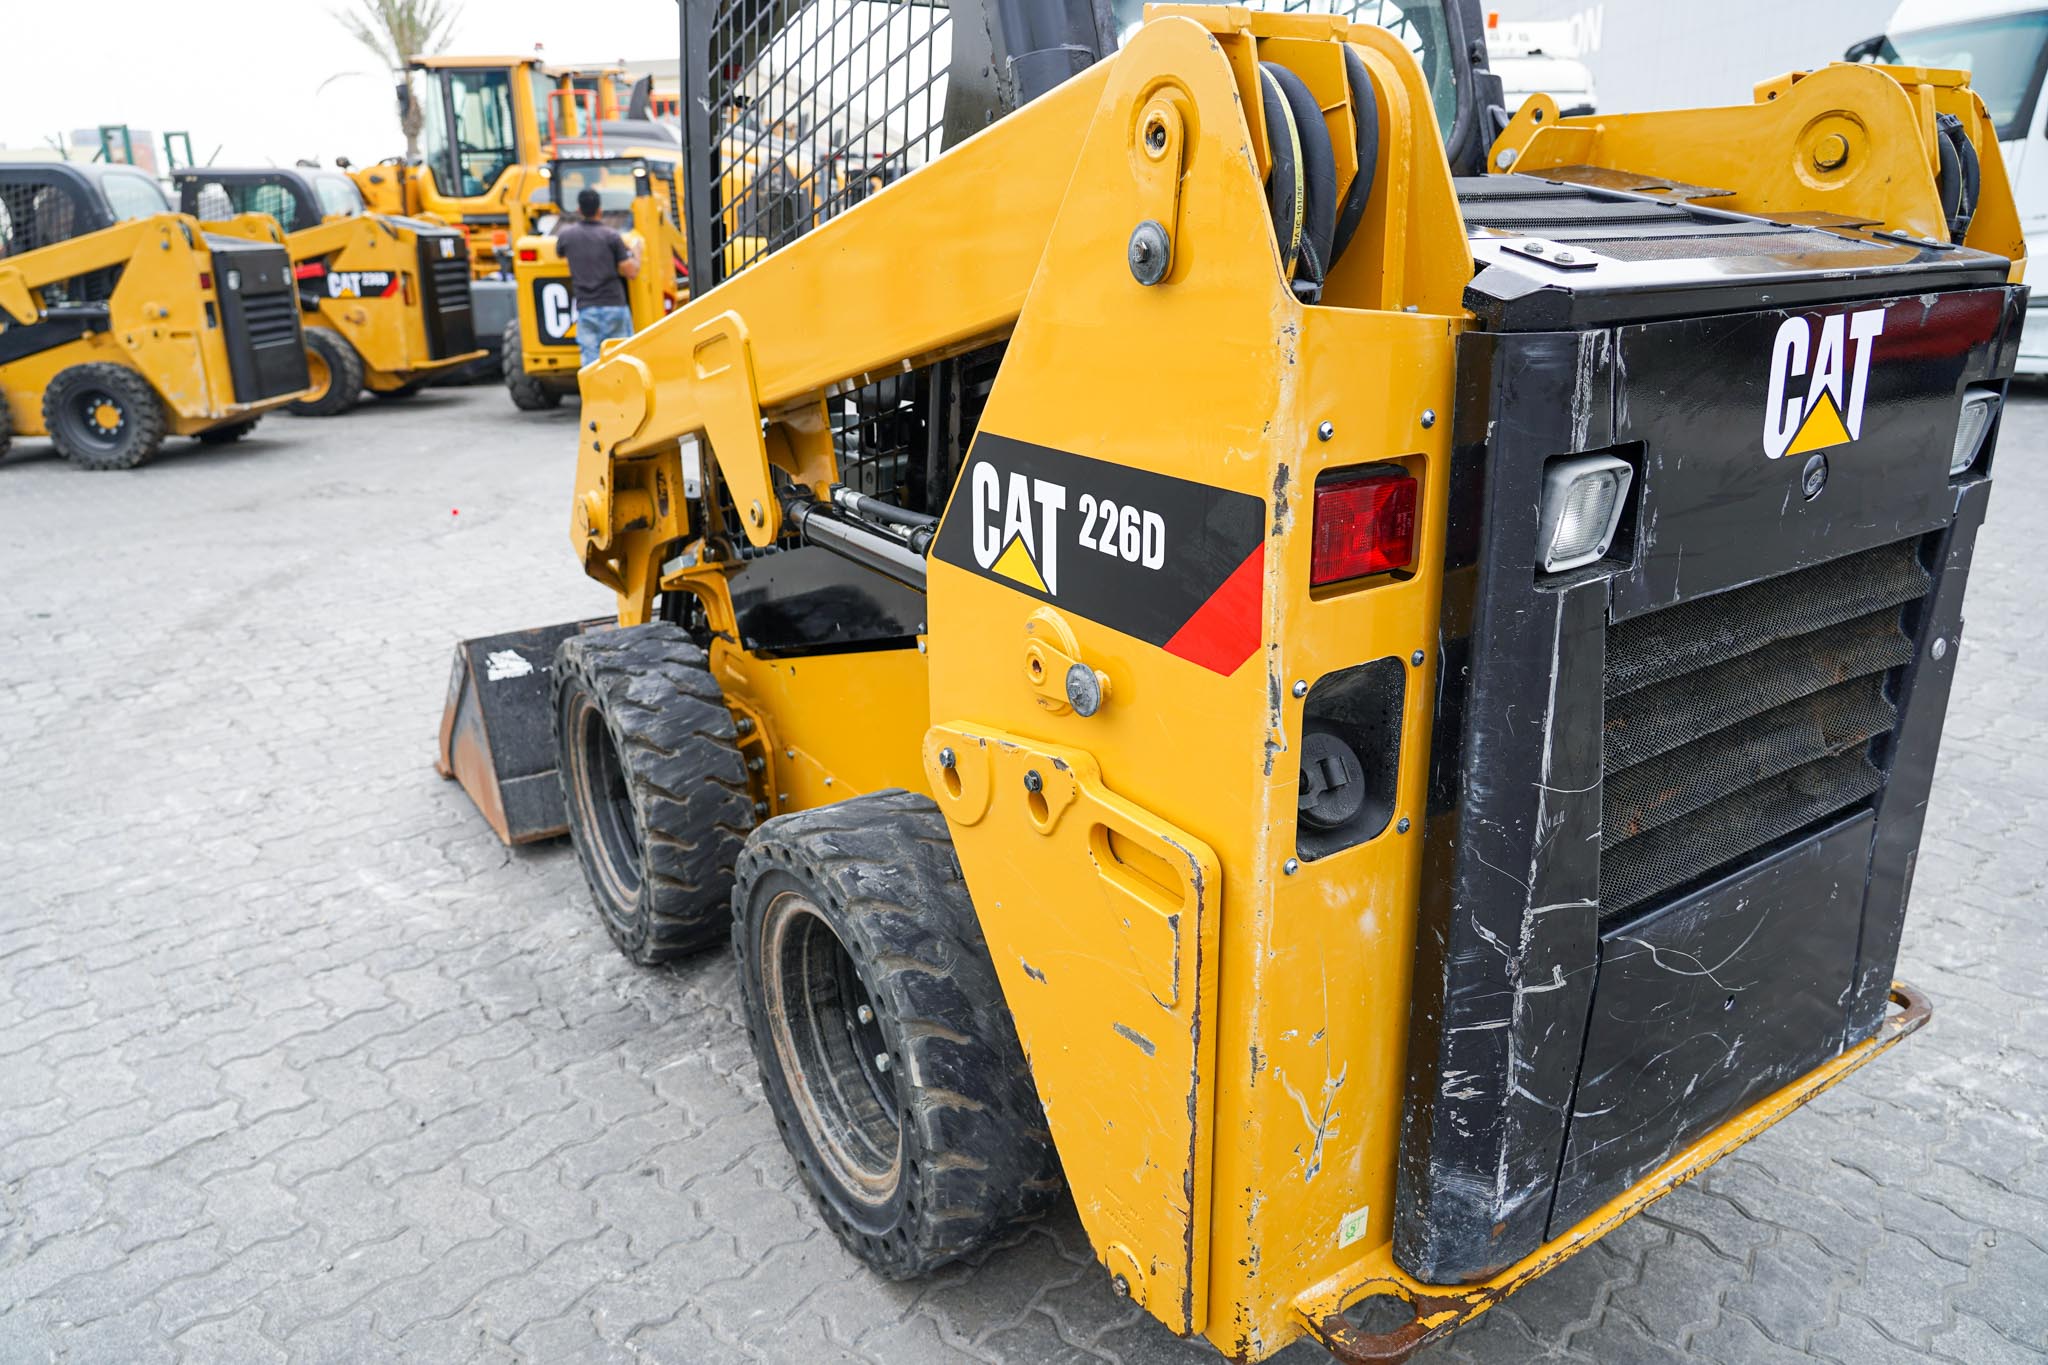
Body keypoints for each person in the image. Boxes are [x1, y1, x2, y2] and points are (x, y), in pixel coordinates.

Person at [555, 187, 640, 367]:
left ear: (579, 210)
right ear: (599, 210)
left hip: (587, 309)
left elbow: (559, 252)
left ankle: (596, 395)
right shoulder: (611, 236)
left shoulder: (567, 236)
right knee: (621, 359)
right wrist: (636, 253)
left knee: (591, 364)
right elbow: (631, 272)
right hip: (614, 306)